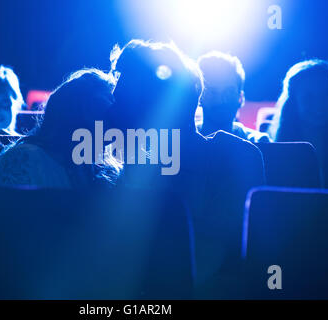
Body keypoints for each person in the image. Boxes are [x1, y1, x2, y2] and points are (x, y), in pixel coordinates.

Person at [108, 40, 265, 294]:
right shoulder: (122, 164)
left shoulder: (234, 157)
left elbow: (204, 263)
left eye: (122, 97)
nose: (112, 108)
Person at [0, 68, 120, 188]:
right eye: (109, 99)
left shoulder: (92, 169)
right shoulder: (24, 159)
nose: (114, 108)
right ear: (78, 107)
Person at [269, 59, 328, 190]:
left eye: (326, 95)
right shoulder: (273, 153)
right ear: (293, 103)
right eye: (309, 97)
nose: (319, 105)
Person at [196, 51, 270, 143]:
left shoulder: (260, 142)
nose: (221, 100)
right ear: (199, 97)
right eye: (212, 92)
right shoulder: (177, 142)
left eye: (229, 92)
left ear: (241, 98)